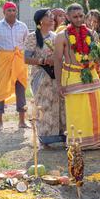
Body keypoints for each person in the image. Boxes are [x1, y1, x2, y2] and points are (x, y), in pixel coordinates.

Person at [54, 3, 100, 150]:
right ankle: (79, 142)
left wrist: (99, 58)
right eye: (75, 17)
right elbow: (58, 60)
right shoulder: (62, 36)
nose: (79, 19)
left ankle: (98, 141)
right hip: (72, 75)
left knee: (96, 106)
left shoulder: (92, 34)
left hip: (91, 74)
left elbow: (99, 56)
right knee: (77, 110)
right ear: (67, 17)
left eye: (81, 16)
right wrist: (59, 84)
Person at [24, 9, 66, 148]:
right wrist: (44, 61)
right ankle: (44, 139)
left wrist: (58, 60)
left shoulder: (56, 36)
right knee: (44, 106)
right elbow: (26, 58)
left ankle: (60, 136)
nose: (52, 17)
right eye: (48, 16)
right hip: (41, 76)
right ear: (40, 20)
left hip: (56, 75)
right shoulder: (32, 37)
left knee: (59, 105)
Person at [0, 1, 29, 131]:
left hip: (19, 61)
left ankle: (22, 121)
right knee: (1, 89)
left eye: (13, 10)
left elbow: (28, 43)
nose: (11, 12)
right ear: (4, 12)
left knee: (21, 88)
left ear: (16, 12)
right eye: (8, 10)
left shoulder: (23, 26)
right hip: (3, 62)